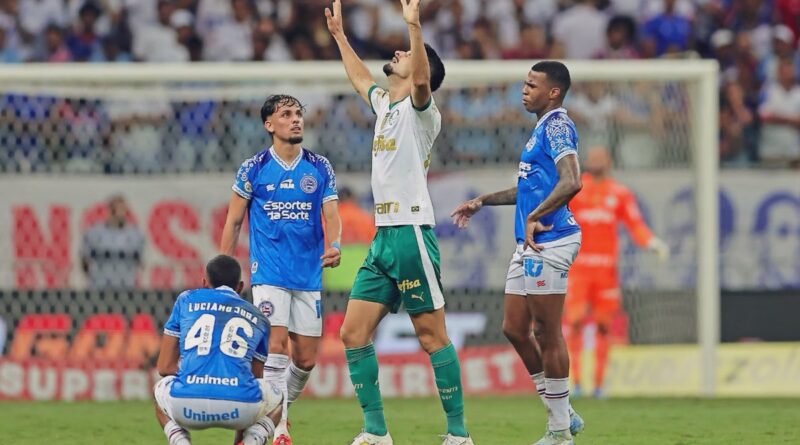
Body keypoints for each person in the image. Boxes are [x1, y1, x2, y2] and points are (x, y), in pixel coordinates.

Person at [325, 1, 473, 444]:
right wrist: (339, 37)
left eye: (406, 54)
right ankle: (376, 433)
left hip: (410, 233)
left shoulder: (422, 111)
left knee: (432, 337)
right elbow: (360, 79)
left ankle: (459, 435)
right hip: (383, 239)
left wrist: (414, 26)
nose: (398, 55)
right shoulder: (387, 108)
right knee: (352, 332)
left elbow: (423, 79)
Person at [451, 61, 585, 445]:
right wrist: (483, 201)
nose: (524, 90)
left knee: (546, 331)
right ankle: (562, 409)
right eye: (524, 84)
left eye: (531, 85)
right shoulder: (539, 129)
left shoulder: (558, 125)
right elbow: (527, 192)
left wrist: (537, 216)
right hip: (527, 240)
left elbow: (572, 180)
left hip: (551, 238)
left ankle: (560, 431)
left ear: (553, 92)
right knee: (513, 328)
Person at [220, 94, 342, 445]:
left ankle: (264, 417)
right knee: (277, 347)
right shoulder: (254, 167)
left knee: (305, 360)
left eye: (299, 113)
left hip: (307, 275)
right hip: (268, 272)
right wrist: (223, 273)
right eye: (286, 114)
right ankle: (280, 427)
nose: (296, 119)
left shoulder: (320, 166)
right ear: (269, 125)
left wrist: (334, 245)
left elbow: (331, 215)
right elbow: (233, 220)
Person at [566, 147, 669, 398]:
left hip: (606, 272)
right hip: (579, 269)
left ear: (609, 162)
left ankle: (600, 384)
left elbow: (635, 224)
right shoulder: (575, 190)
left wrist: (651, 242)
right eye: (591, 157)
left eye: (599, 158)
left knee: (603, 327)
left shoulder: (619, 194)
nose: (594, 161)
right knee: (575, 323)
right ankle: (575, 382)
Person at [153, 255, 282, 445]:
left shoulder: (186, 300)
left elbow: (164, 367)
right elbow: (254, 378)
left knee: (159, 391)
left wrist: (196, 373)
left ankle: (180, 441)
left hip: (187, 406)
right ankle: (252, 440)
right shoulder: (259, 318)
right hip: (240, 408)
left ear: (205, 283)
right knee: (277, 398)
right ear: (239, 287)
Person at [80, 194, 145, 289]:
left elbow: (141, 263)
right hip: (100, 286)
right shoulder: (95, 233)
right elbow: (85, 259)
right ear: (110, 210)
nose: (121, 214)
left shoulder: (135, 235)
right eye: (117, 210)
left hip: (126, 286)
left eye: (123, 210)